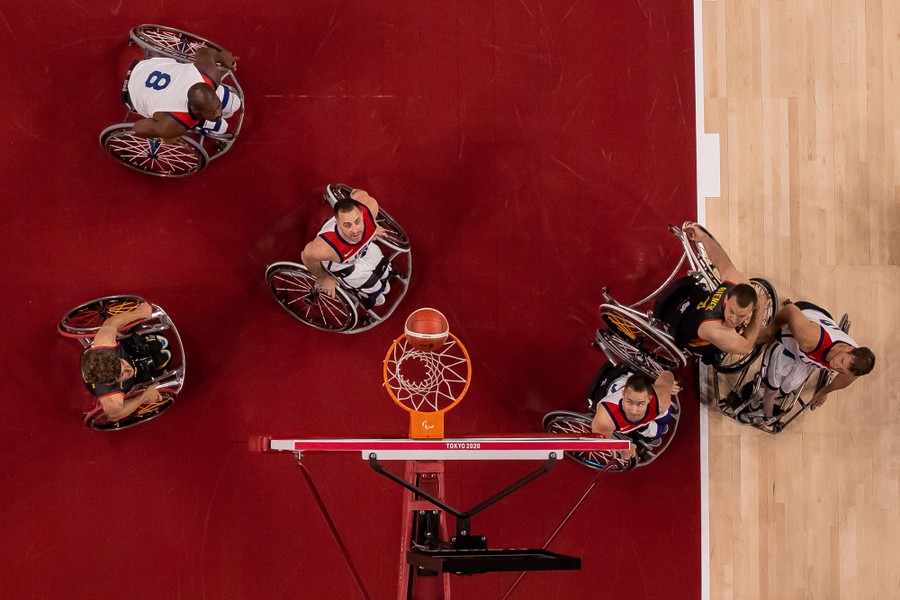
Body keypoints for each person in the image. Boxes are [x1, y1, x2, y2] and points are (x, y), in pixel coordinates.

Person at [740, 300, 876, 423]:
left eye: (841, 369)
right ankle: (758, 402)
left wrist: (823, 392)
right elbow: (790, 310)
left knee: (788, 387)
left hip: (807, 353)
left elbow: (843, 380)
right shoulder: (811, 338)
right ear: (849, 348)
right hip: (796, 334)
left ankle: (765, 398)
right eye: (841, 361)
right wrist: (771, 329)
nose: (836, 366)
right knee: (772, 386)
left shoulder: (854, 368)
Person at [662, 223, 767, 362]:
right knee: (713, 351)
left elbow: (719, 259)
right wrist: (759, 311)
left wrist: (703, 237)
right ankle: (711, 354)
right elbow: (746, 347)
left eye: (741, 316)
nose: (734, 320)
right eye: (732, 311)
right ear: (727, 298)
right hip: (682, 330)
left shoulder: (735, 280)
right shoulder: (716, 330)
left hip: (690, 300)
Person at [125, 46, 241, 143]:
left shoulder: (210, 73)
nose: (218, 113)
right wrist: (163, 134)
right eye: (210, 111)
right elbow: (138, 128)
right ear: (196, 109)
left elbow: (203, 52)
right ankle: (201, 122)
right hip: (133, 91)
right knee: (221, 128)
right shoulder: (173, 125)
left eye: (217, 105)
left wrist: (223, 57)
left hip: (147, 66)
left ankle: (209, 109)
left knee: (234, 103)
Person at [300, 185, 393, 307]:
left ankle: (384, 274)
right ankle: (372, 291)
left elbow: (358, 192)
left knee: (381, 262)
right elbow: (306, 256)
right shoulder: (326, 248)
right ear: (337, 223)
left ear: (362, 214)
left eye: (357, 222)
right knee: (375, 285)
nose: (355, 230)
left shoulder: (370, 207)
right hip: (343, 266)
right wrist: (324, 278)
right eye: (347, 225)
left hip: (362, 250)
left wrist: (373, 225)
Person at [79, 302, 171, 422]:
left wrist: (139, 313)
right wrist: (144, 397)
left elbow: (111, 323)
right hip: (137, 375)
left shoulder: (104, 342)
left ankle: (130, 353)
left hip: (128, 351)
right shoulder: (111, 399)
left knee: (158, 343)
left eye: (122, 364)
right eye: (123, 375)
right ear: (110, 383)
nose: (129, 370)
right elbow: (114, 416)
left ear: (112, 356)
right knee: (165, 359)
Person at [591, 370, 681, 460]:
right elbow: (599, 439)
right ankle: (643, 428)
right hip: (614, 387)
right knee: (657, 431)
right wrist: (622, 446)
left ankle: (645, 427)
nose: (633, 411)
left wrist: (668, 385)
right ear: (623, 395)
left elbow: (667, 375)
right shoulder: (607, 417)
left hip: (654, 401)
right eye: (629, 402)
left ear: (649, 399)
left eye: (640, 404)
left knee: (665, 416)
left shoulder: (661, 398)